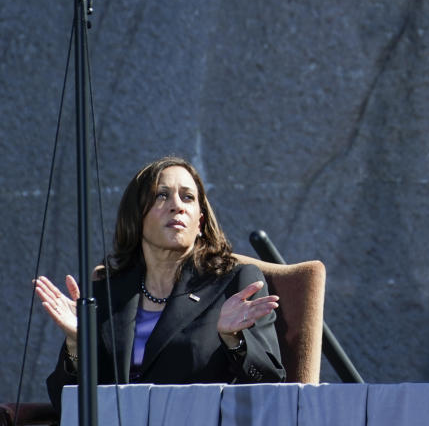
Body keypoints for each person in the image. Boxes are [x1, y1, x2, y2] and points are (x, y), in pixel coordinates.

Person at [35, 156, 285, 410]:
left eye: (188, 197)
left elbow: (272, 386)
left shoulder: (235, 284)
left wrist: (234, 340)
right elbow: (64, 405)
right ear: (136, 217)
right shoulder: (105, 293)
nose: (177, 206)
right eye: (161, 196)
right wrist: (78, 345)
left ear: (199, 222)